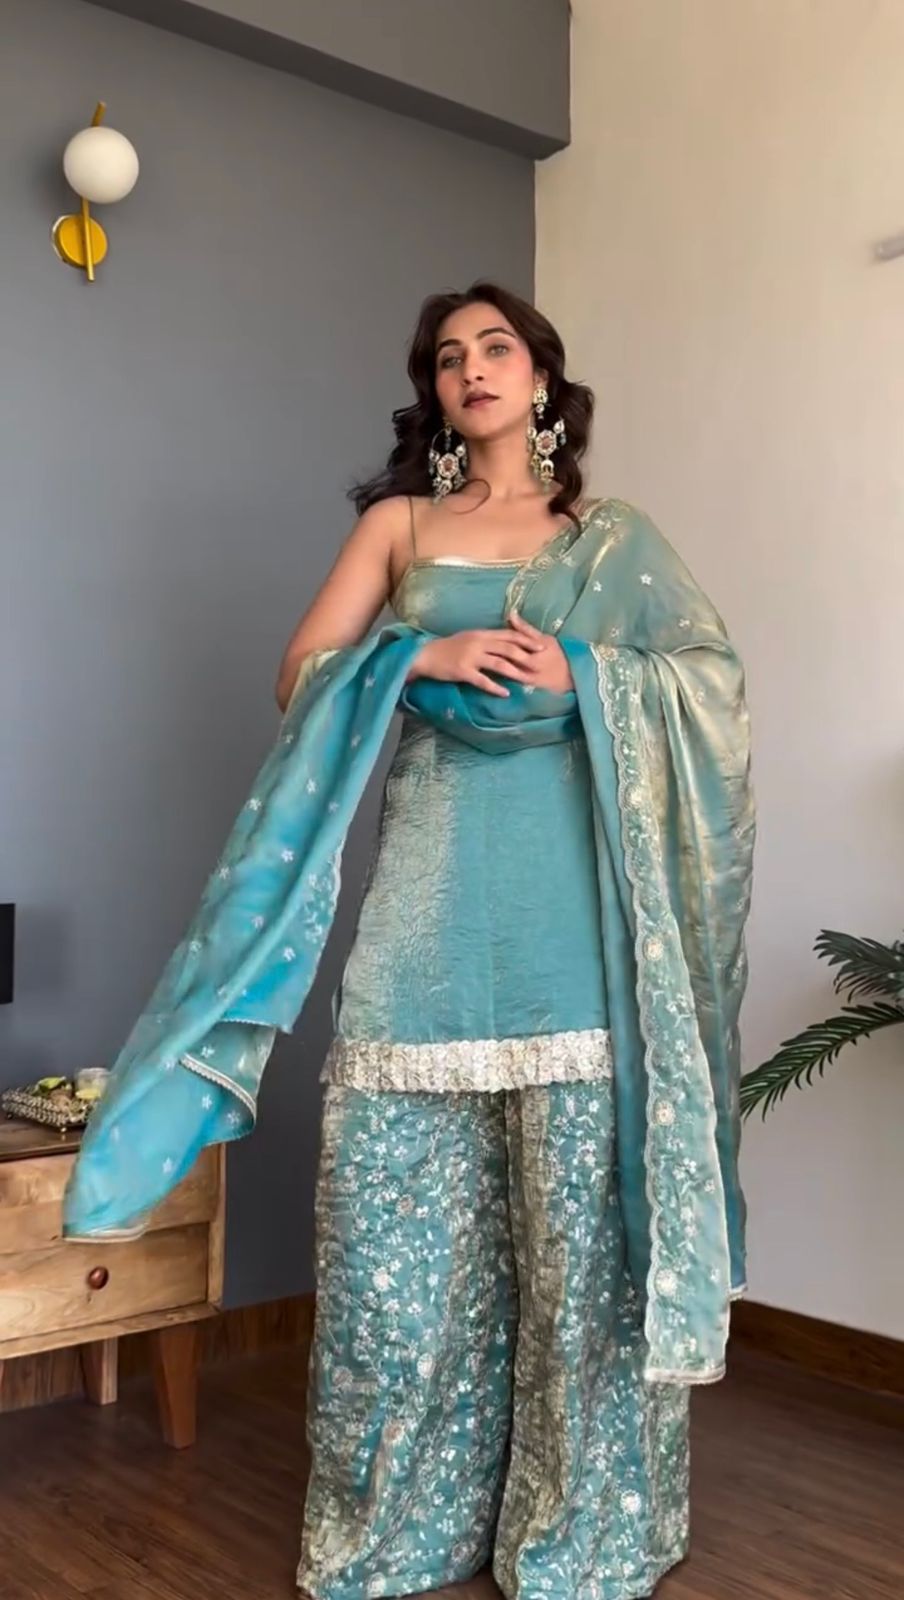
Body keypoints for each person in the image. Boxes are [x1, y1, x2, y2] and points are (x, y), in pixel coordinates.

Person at [63, 281, 755, 1600]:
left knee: (579, 1255)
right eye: (449, 357)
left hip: (575, 924)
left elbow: (711, 684)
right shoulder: (400, 526)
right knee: (396, 1253)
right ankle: (398, 1527)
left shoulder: (612, 541)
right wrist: (415, 660)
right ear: (433, 394)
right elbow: (298, 676)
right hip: (430, 907)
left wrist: (584, 676)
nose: (473, 369)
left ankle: (580, 1535)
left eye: (497, 348)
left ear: (542, 380)